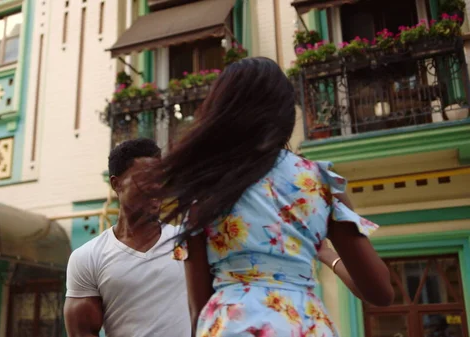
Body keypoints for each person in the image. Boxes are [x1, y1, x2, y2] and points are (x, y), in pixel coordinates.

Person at [141, 57, 394, 336]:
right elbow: (380, 292)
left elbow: (198, 307)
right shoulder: (319, 182)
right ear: (285, 114)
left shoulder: (204, 185)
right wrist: (327, 253)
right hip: (303, 326)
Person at [63, 138, 191, 337]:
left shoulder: (185, 241)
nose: (155, 187)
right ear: (117, 184)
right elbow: (82, 332)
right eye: (144, 179)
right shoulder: (88, 258)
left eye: (159, 179)